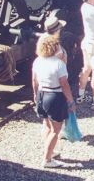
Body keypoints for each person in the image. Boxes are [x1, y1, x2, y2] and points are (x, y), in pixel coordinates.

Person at [32, 35, 75, 167]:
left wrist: (35, 95)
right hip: (55, 96)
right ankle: (47, 159)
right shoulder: (59, 64)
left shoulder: (37, 61)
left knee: (47, 126)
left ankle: (49, 151)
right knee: (55, 130)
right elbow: (64, 84)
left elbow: (34, 81)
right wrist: (71, 100)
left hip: (42, 94)